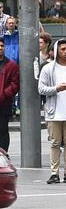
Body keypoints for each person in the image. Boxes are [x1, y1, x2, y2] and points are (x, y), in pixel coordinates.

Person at [38, 39, 66, 183]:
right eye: (62, 49)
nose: (65, 52)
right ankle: (54, 173)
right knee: (55, 143)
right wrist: (56, 88)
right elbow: (41, 89)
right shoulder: (48, 68)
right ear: (56, 51)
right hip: (54, 112)